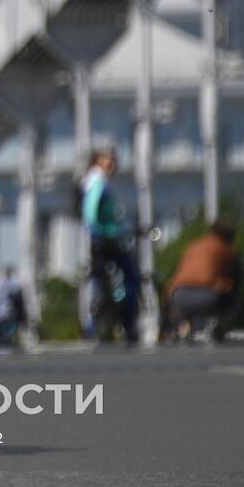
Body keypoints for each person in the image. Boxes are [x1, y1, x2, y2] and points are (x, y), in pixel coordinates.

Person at [78, 148, 140, 345]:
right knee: (130, 277)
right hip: (107, 239)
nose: (111, 164)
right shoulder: (98, 181)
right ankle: (128, 324)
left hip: (100, 240)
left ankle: (93, 324)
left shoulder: (90, 180)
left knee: (99, 279)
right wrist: (99, 230)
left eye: (113, 160)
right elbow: (92, 211)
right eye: (107, 160)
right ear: (96, 161)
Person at [166, 219, 244, 342]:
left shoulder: (193, 246)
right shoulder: (227, 250)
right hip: (208, 297)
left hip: (179, 295)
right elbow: (236, 278)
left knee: (186, 305)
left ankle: (183, 326)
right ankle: (219, 329)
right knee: (231, 297)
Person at [0, 266, 26, 348]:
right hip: (5, 311)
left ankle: (7, 341)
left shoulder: (7, 283)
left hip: (8, 311)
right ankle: (6, 341)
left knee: (7, 328)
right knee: (5, 329)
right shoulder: (5, 283)